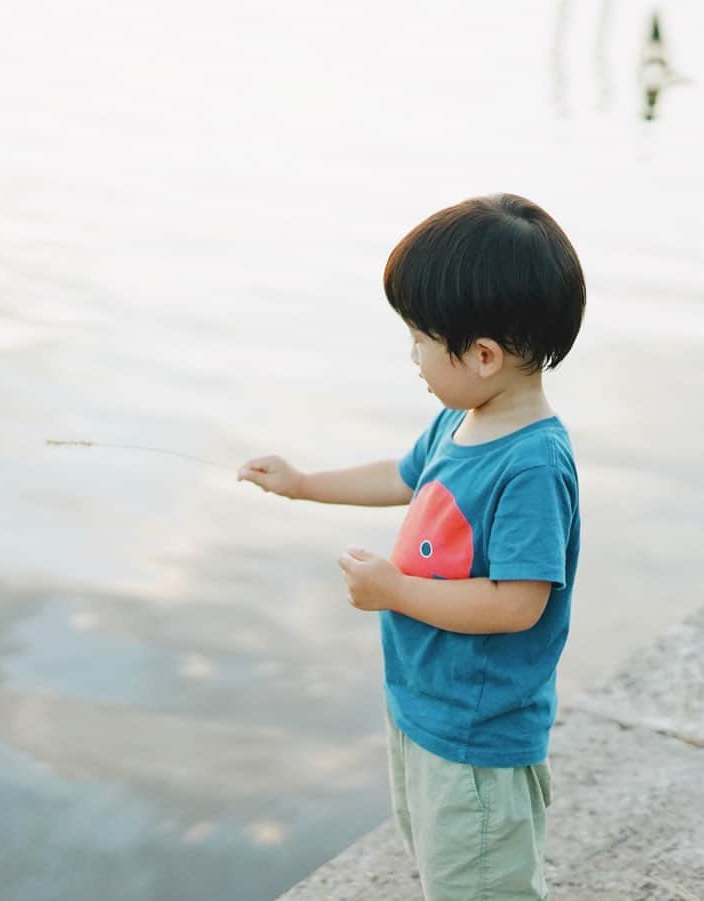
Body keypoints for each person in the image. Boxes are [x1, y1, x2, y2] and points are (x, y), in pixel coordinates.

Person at [236, 193, 584, 900]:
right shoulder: (459, 419)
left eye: (421, 339)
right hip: (424, 706)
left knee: (481, 880)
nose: (414, 357)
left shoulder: (531, 464)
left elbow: (518, 602)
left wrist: (394, 590)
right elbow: (401, 478)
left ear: (482, 355)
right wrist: (303, 484)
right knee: (444, 870)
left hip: (477, 732)